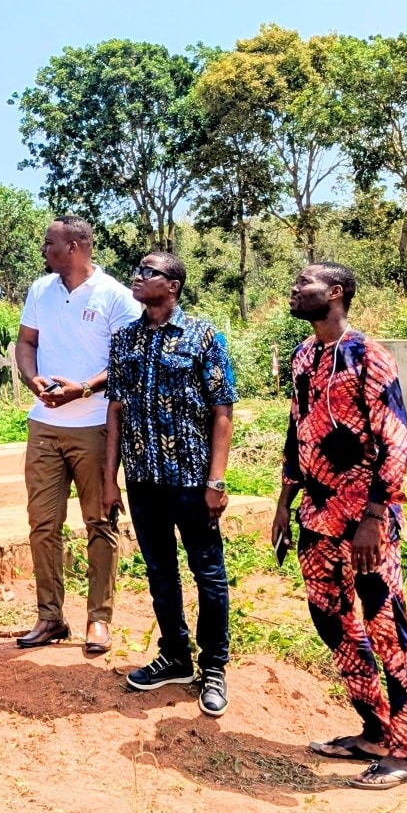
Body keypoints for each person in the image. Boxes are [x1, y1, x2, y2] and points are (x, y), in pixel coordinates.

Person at [270, 263, 407, 788]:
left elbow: (396, 440)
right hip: (315, 514)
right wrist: (283, 504)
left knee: (386, 627)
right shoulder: (303, 356)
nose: (294, 290)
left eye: (304, 284)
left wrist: (375, 516)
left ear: (335, 293)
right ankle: (374, 729)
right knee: (332, 621)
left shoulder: (369, 357)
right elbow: (298, 434)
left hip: (366, 521)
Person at [100, 252, 236, 719]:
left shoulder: (203, 336)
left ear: (173, 285)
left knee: (208, 573)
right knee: (160, 572)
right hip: (143, 481)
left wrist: (216, 479)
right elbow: (114, 411)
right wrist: (109, 480)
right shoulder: (125, 340)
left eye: (148, 272)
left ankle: (214, 666)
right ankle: (176, 655)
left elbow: (222, 410)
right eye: (137, 271)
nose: (137, 278)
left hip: (192, 480)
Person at [14, 216, 139, 655]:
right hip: (45, 425)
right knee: (42, 524)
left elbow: (128, 361)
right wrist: (33, 381)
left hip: (95, 426)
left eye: (49, 243)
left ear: (74, 247)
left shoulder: (117, 297)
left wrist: (82, 389)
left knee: (99, 522)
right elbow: (25, 343)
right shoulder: (39, 291)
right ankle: (50, 617)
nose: (43, 249)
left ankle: (98, 620)